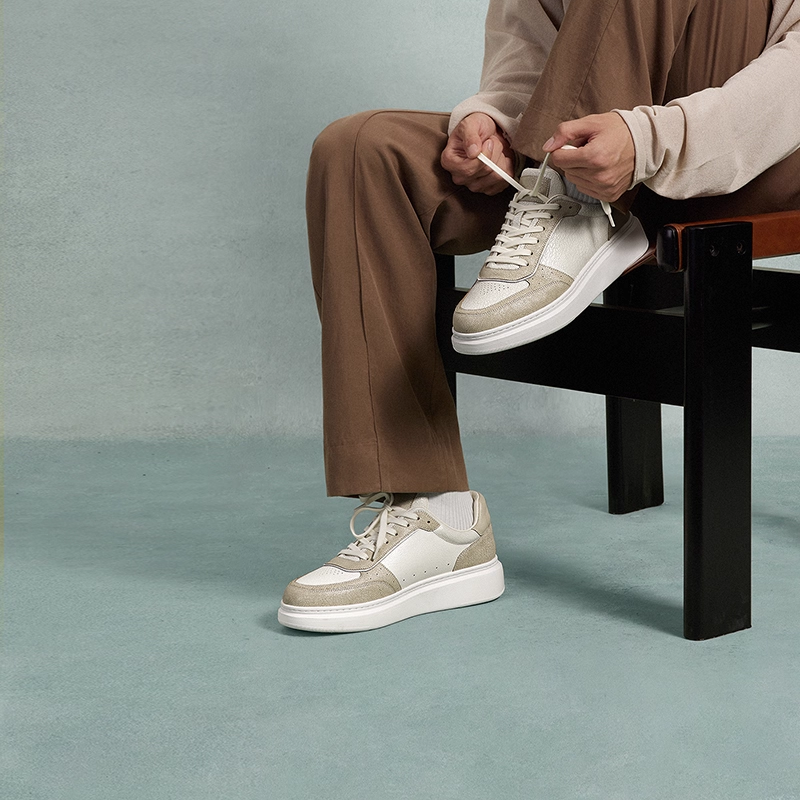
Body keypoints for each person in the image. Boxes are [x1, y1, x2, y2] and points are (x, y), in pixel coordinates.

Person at [278, 0, 800, 632]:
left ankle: (576, 205)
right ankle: (434, 519)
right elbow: (538, 42)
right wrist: (497, 122)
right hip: (595, 148)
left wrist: (647, 139)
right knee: (361, 150)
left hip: (760, 147)